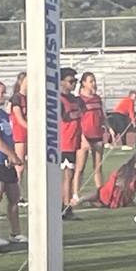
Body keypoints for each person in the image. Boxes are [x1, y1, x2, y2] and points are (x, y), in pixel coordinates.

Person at [0, 80, 26, 245]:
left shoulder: (3, 114)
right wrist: (12, 155)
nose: (3, 96)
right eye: (1, 92)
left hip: (7, 161)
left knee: (13, 196)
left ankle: (15, 233)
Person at [74, 71, 107, 201]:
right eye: (91, 81)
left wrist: (109, 129)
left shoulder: (97, 99)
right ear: (83, 83)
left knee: (98, 167)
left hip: (97, 135)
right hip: (84, 136)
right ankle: (75, 194)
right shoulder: (79, 101)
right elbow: (77, 120)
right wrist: (82, 138)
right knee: (80, 168)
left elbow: (102, 116)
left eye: (94, 81)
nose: (93, 83)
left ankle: (101, 195)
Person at [58, 67, 84, 220]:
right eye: (70, 81)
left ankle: (64, 205)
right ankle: (65, 206)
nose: (74, 84)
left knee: (70, 174)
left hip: (73, 142)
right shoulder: (59, 100)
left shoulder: (74, 99)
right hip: (64, 142)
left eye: (75, 81)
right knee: (67, 175)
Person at [9, 72, 27, 205]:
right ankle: (16, 195)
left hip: (27, 133)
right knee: (19, 165)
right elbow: (19, 118)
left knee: (25, 165)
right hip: (20, 133)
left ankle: (21, 193)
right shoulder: (17, 97)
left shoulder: (27, 97)